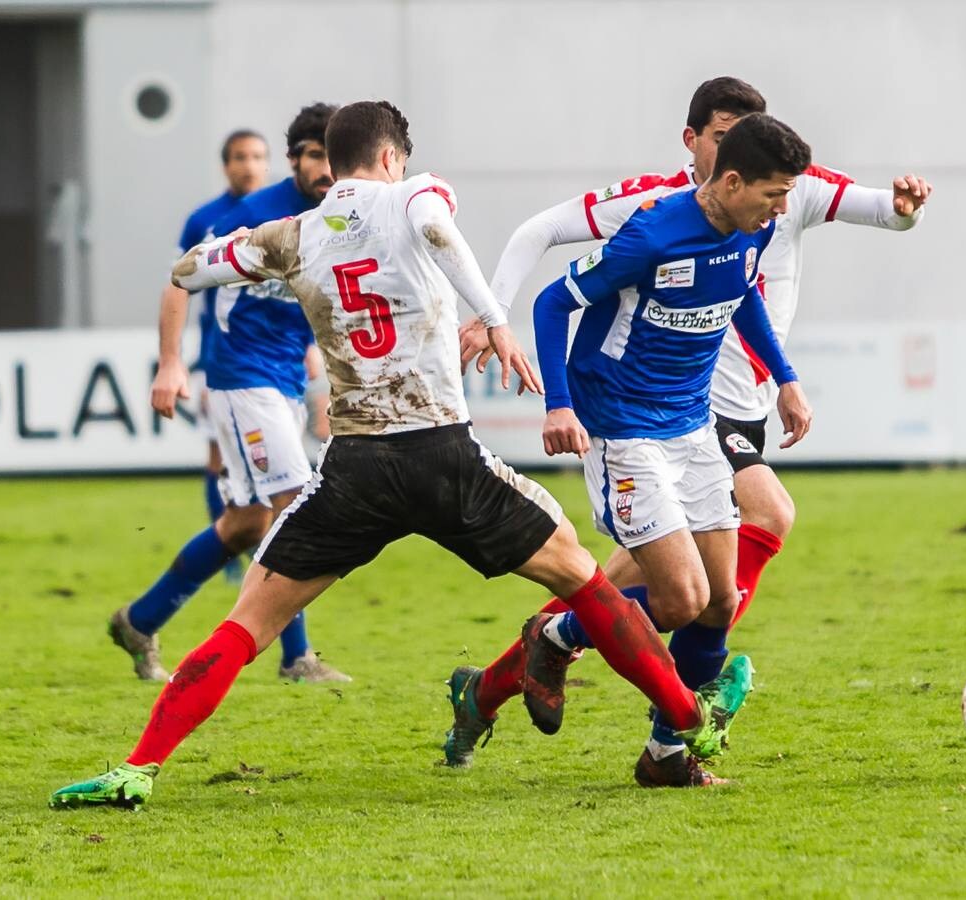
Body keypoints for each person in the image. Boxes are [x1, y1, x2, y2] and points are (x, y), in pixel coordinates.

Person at [50, 100, 754, 810]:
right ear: (391, 156)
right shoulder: (416, 193)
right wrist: (494, 321)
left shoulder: (290, 233)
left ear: (333, 156)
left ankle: (138, 767)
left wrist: (238, 252)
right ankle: (690, 725)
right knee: (584, 582)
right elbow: (434, 230)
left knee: (246, 623)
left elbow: (192, 268)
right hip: (444, 455)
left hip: (356, 467)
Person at [448, 76, 932, 786]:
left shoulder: (753, 225)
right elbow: (555, 300)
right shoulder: (650, 227)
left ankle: (664, 756)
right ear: (727, 176)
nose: (781, 209)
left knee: (719, 598)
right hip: (624, 425)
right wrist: (558, 405)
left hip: (689, 425)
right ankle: (555, 639)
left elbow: (741, 298)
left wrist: (786, 376)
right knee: (676, 599)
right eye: (772, 194)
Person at [110, 104, 349, 684]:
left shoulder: (341, 215)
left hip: (285, 380)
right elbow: (180, 279)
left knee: (244, 523)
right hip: (240, 378)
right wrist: (171, 365)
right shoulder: (251, 215)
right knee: (296, 504)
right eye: (315, 155)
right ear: (294, 159)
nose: (326, 168)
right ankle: (297, 657)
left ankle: (139, 620)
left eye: (334, 157)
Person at [172, 128, 269, 586]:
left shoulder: (283, 213)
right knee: (219, 456)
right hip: (224, 357)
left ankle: (252, 544)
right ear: (225, 165)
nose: (247, 165)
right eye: (238, 157)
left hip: (279, 357)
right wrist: (170, 358)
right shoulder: (204, 219)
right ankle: (232, 554)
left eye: (255, 156)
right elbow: (178, 284)